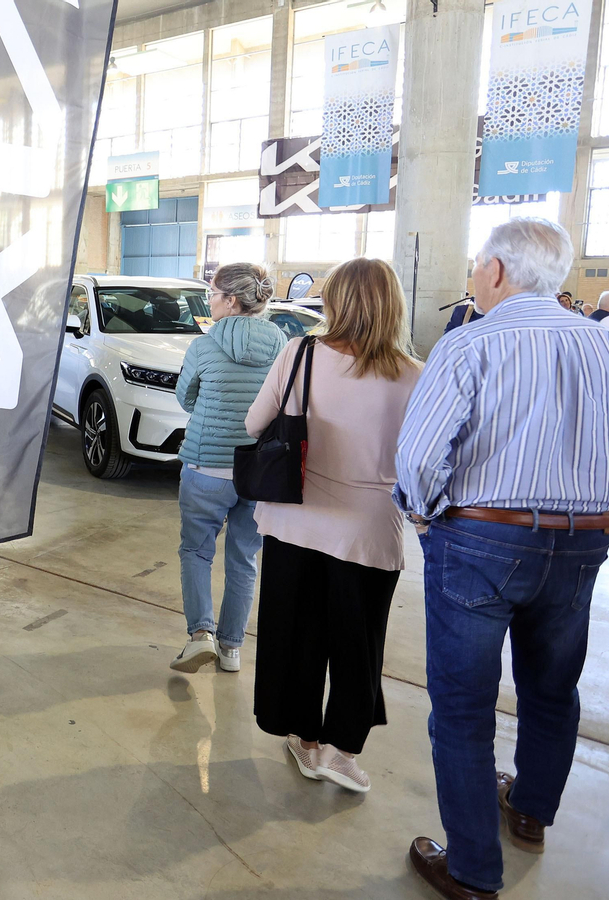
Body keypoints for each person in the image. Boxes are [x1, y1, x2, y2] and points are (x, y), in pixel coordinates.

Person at [394, 218, 609, 900]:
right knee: (553, 690)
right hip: (581, 544)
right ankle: (530, 811)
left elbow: (420, 459)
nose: (472, 276)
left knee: (462, 706)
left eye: (475, 265)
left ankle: (472, 871)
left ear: (495, 271)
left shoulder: (468, 344)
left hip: (478, 542)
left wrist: (425, 515)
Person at [246, 258, 421, 794]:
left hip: (294, 521)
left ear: (334, 301)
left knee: (296, 635)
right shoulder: (414, 374)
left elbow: (254, 424)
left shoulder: (300, 353)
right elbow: (419, 460)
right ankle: (342, 754)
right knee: (358, 644)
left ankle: (304, 741)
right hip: (369, 530)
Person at [169, 263, 286, 675]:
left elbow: (186, 398)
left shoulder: (203, 346)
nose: (209, 301)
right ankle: (231, 648)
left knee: (196, 551)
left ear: (231, 300)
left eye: (212, 294)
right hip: (259, 471)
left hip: (206, 466)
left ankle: (200, 635)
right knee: (244, 559)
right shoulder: (282, 344)